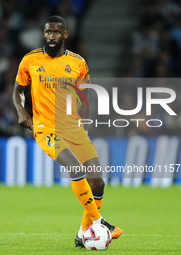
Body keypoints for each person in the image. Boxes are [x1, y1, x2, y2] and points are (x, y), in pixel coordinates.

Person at [12, 15, 122, 248]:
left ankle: (83, 234)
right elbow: (17, 91)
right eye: (48, 32)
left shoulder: (78, 63)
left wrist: (86, 120)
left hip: (73, 127)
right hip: (46, 127)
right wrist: (21, 110)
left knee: (98, 183)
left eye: (56, 32)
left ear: (65, 35)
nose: (52, 36)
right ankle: (100, 222)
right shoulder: (30, 60)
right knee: (75, 167)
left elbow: (84, 95)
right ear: (44, 34)